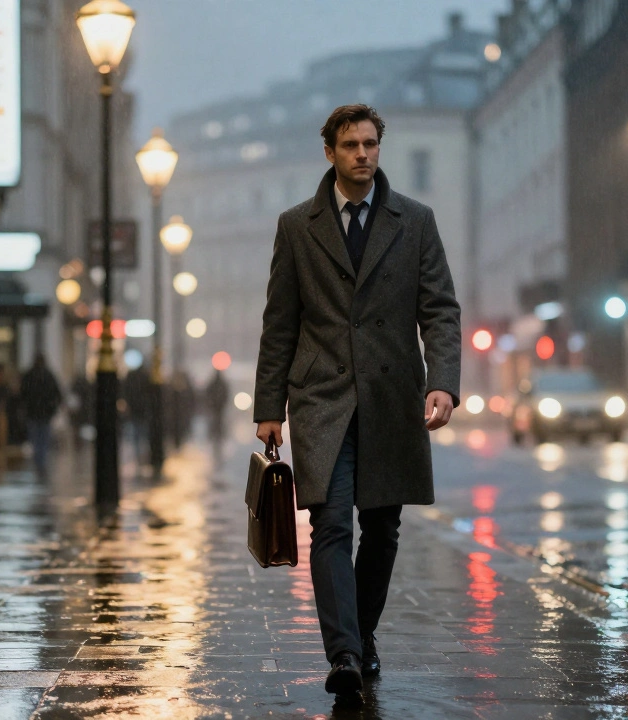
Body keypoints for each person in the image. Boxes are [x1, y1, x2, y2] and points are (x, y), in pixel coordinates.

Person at [254, 105, 461, 696]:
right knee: (329, 524)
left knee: (384, 528)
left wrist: (442, 381)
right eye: (350, 145)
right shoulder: (298, 226)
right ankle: (344, 653)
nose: (363, 154)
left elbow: (440, 309)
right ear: (330, 153)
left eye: (371, 144)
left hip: (393, 396)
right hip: (321, 399)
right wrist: (270, 406)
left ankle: (362, 635)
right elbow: (280, 323)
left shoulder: (415, 221)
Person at [20, 354, 63, 475]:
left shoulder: (29, 376)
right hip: (44, 414)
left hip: (34, 413)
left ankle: (39, 462)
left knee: (36, 439)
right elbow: (57, 394)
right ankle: (41, 462)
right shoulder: (48, 376)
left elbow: (22, 394)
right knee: (43, 439)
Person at [205, 369, 230, 451]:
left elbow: (208, 393)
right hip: (218, 406)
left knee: (216, 421)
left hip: (216, 406)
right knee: (218, 421)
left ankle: (215, 433)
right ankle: (218, 433)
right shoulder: (221, 383)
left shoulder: (214, 383)